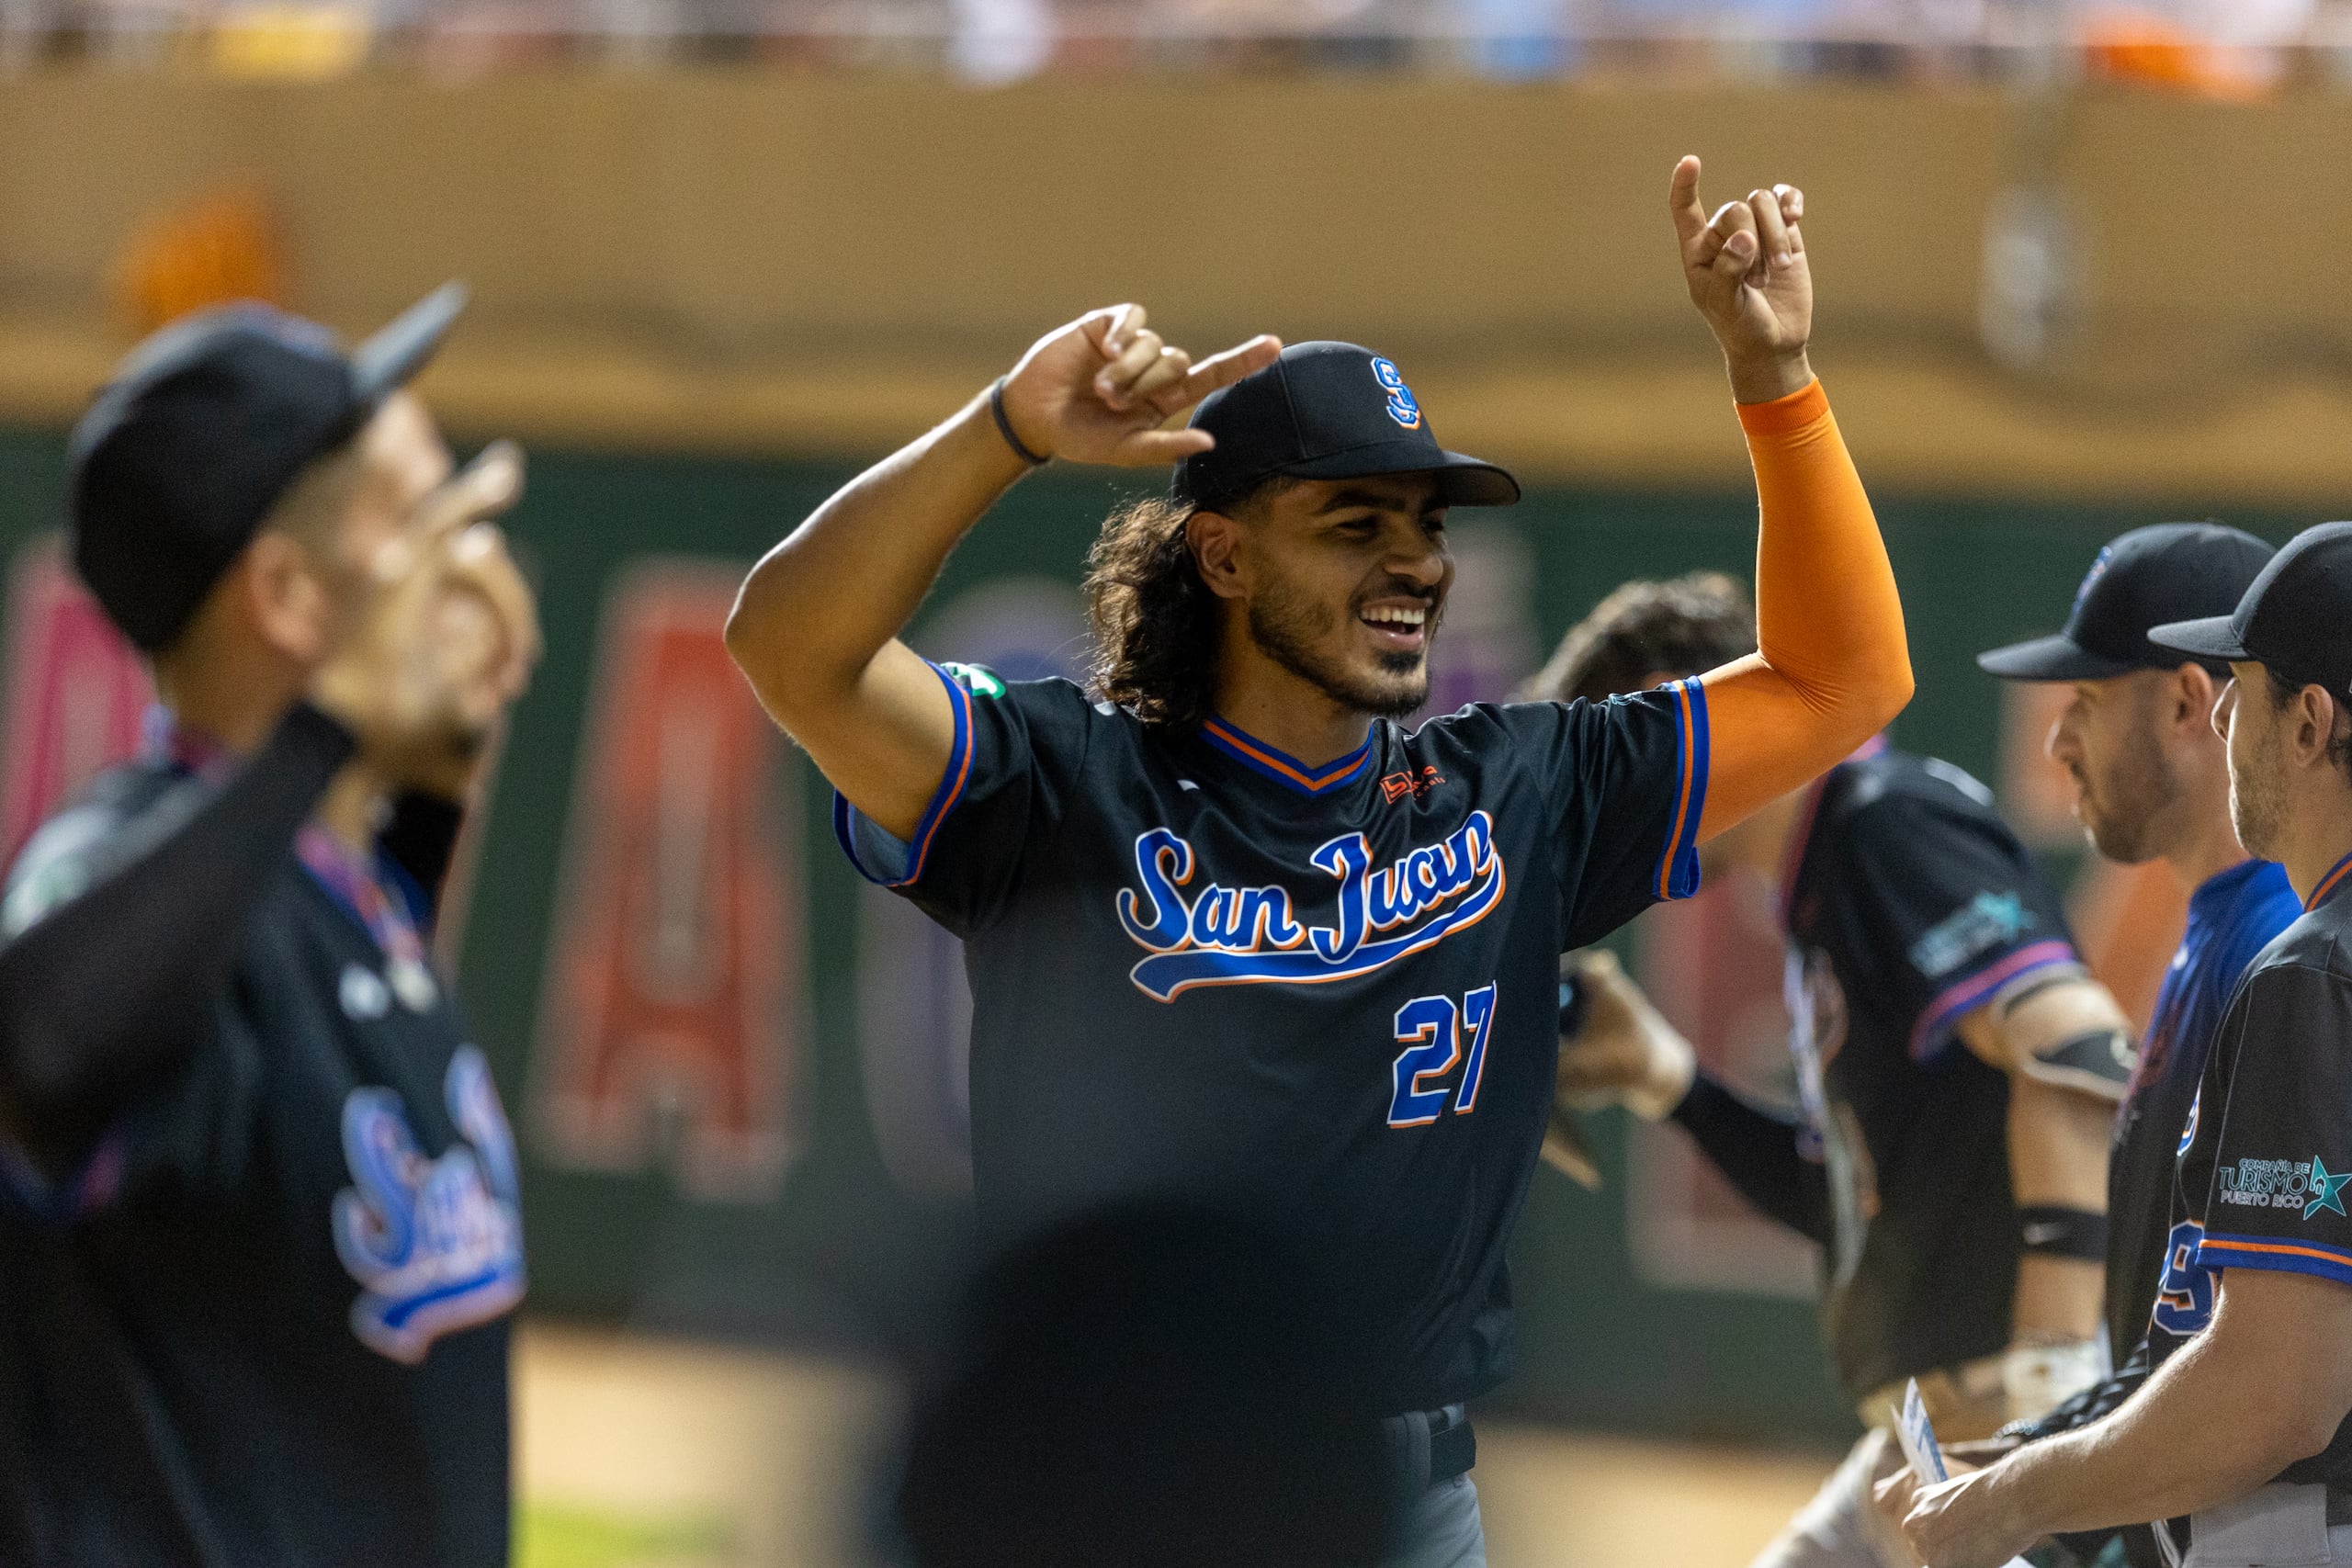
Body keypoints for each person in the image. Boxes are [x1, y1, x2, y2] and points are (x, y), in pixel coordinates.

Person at [727, 156, 1912, 1564]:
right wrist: (1006, 431)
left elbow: (1847, 678)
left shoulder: (1522, 789)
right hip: (1110, 1485)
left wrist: (1772, 373)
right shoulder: (1066, 783)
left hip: (1407, 1499)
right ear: (1222, 555)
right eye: (1355, 522)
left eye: (1427, 523)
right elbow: (788, 647)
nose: (1413, 560)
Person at [0, 289, 540, 1567]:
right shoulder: (127, 876)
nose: (473, 564)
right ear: (291, 595)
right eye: (425, 520)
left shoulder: (332, 884)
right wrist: (327, 724)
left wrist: (424, 751)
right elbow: (37, 1050)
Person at [1536, 571, 2133, 1568]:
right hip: (1919, 1442)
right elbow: (1840, 1201)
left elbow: (2075, 1052)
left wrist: (2053, 1387)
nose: (1612, 816)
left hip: (1996, 1440)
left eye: (1614, 762)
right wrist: (1663, 1075)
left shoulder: (1878, 820)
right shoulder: (1822, 874)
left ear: (1675, 706)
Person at [1889, 522, 2352, 1568]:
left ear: (2309, 723)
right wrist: (2038, 1462)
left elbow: (2275, 1391)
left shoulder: (2302, 967)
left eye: (2246, 688)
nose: (2226, 716)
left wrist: (2021, 1500)